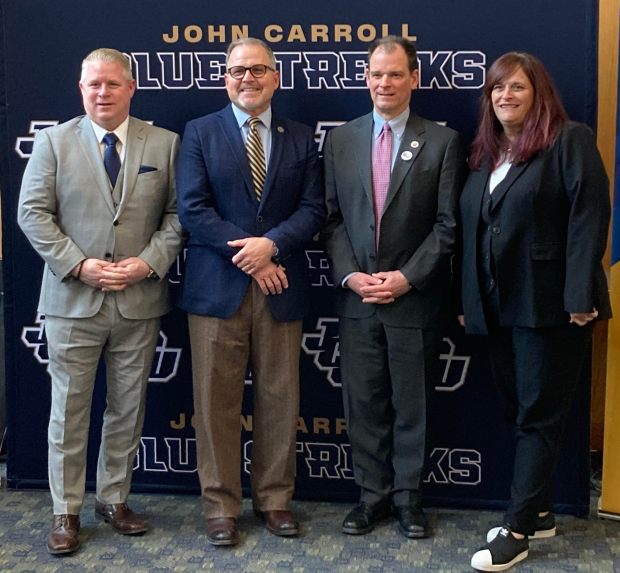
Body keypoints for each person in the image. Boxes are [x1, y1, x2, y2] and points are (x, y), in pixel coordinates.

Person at [17, 48, 184, 555]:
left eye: (112, 84)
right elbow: (32, 214)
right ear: (81, 88)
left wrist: (147, 262)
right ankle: (65, 511)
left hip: (139, 298)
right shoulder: (52, 142)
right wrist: (80, 265)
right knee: (68, 410)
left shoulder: (165, 143)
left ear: (131, 87)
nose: (102, 93)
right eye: (93, 85)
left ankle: (114, 500)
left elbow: (178, 216)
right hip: (74, 299)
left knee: (127, 408)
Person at [459, 52, 611, 572]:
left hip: (553, 308)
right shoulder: (486, 153)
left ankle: (518, 530)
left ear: (537, 92)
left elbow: (590, 218)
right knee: (519, 411)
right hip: (501, 307)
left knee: (538, 417)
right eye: (497, 89)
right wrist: (470, 302)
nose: (505, 96)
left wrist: (579, 299)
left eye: (517, 88)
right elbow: (478, 232)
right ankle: (541, 509)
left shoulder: (569, 140)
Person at [176, 37, 324, 546]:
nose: (248, 79)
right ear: (225, 78)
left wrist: (271, 246)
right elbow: (193, 209)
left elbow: (313, 210)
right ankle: (220, 506)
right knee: (214, 402)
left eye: (258, 70)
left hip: (280, 285)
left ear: (275, 78)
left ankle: (276, 500)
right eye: (238, 70)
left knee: (281, 399)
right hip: (218, 288)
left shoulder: (301, 137)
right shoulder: (199, 132)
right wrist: (252, 257)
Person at [322, 36, 466, 539]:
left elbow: (449, 226)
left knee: (413, 404)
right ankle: (372, 497)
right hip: (357, 298)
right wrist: (351, 275)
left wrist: (407, 277)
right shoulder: (341, 140)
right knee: (364, 405)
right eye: (376, 74)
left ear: (414, 79)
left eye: (395, 74)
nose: (385, 83)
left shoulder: (442, 143)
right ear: (366, 78)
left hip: (413, 299)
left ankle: (408, 500)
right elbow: (331, 220)